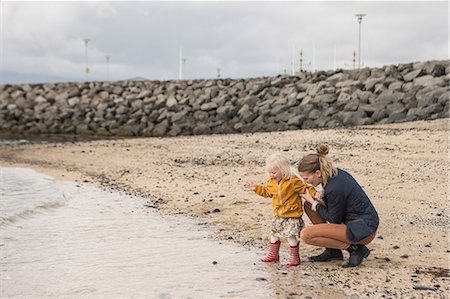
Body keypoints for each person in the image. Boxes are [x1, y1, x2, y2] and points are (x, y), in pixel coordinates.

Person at [297, 144, 379, 268]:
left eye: (306, 178)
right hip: (357, 221)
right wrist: (319, 200)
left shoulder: (334, 187)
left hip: (362, 229)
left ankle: (355, 249)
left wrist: (315, 204)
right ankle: (333, 251)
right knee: (308, 205)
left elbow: (334, 219)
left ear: (318, 173)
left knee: (306, 235)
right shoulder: (334, 174)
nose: (305, 182)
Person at [244, 152, 317, 267]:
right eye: (269, 172)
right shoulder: (271, 182)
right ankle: (273, 255)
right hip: (278, 215)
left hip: (292, 215)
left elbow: (304, 189)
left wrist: (316, 194)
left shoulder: (293, 181)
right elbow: (267, 192)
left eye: (274, 172)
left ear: (283, 170)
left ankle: (295, 257)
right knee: (274, 234)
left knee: (291, 236)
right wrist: (256, 188)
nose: (271, 175)